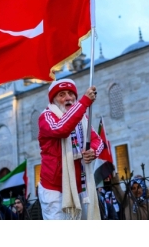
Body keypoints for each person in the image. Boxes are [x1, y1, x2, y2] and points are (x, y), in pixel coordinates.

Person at [37, 79, 103, 220]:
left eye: (71, 94)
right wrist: (84, 102)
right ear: (53, 100)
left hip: (81, 188)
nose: (68, 98)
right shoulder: (46, 117)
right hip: (54, 190)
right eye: (61, 95)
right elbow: (61, 129)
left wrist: (93, 151)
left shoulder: (82, 118)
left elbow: (98, 141)